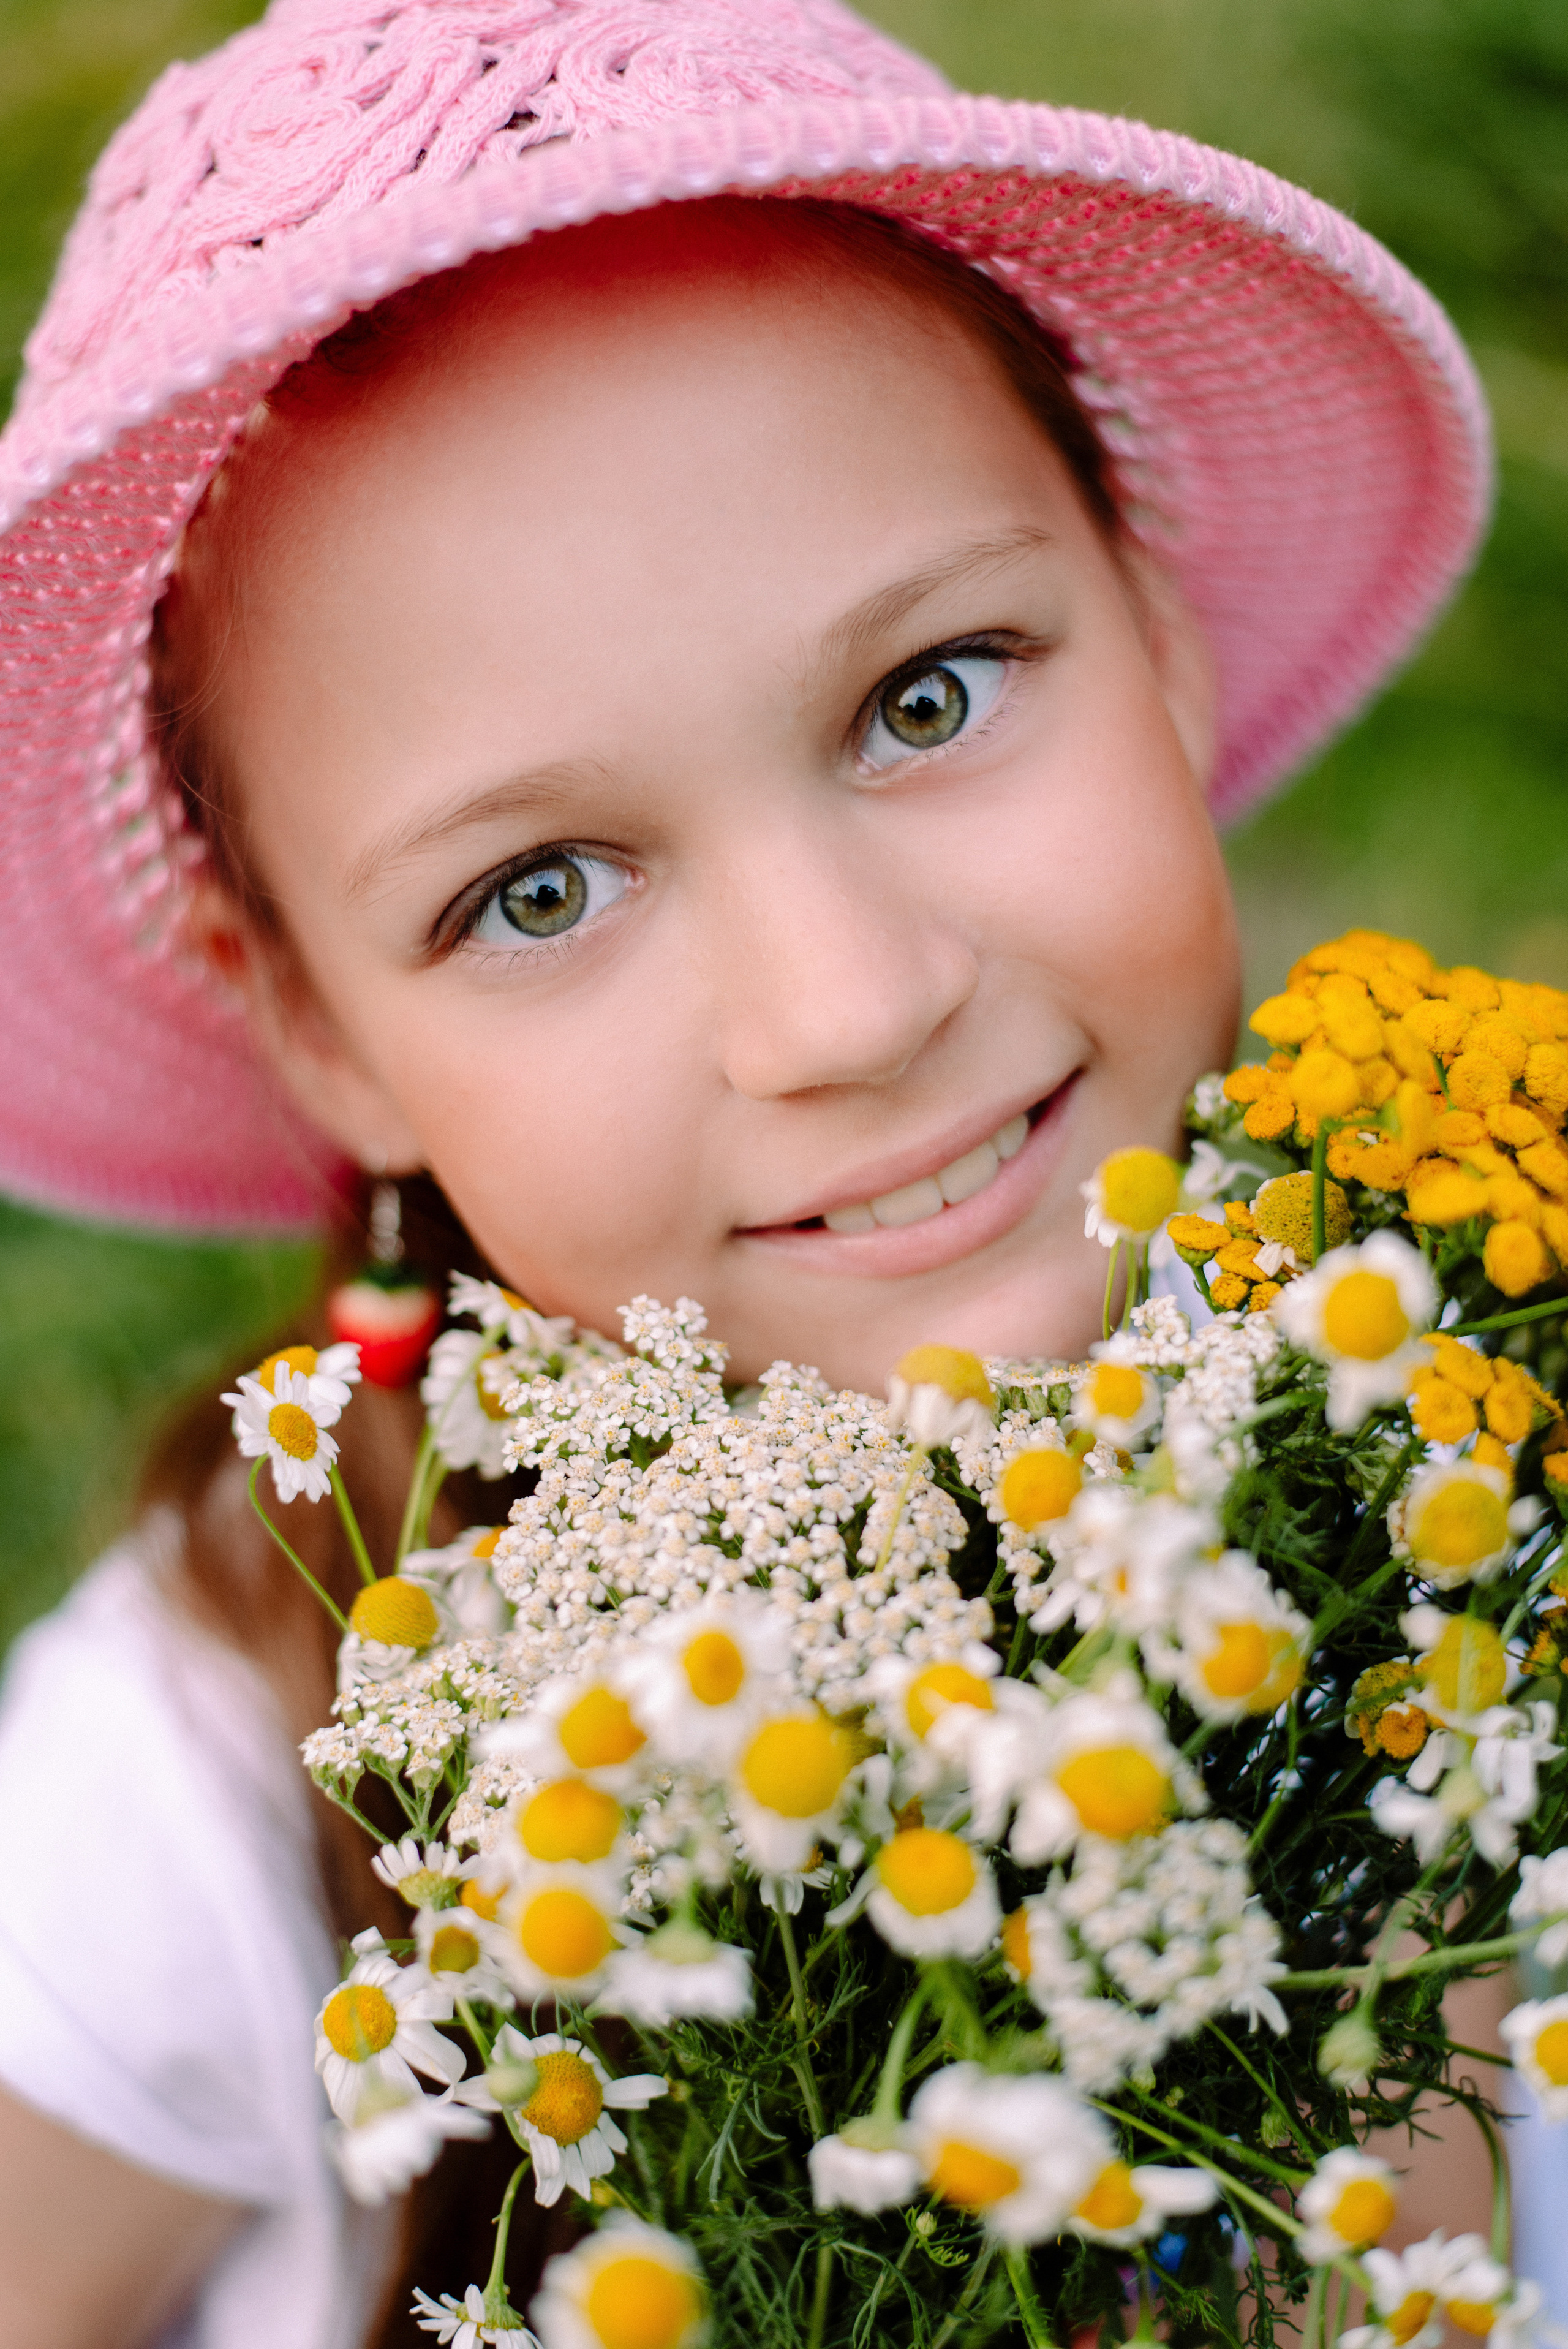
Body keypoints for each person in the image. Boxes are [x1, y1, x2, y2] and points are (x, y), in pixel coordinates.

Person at [0, 1, 1494, 2343]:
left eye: (933, 693)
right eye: (541, 890)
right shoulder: (185, 1808)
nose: (850, 1007)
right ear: (309, 1020)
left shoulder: (1484, 1518)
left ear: (1164, 631)